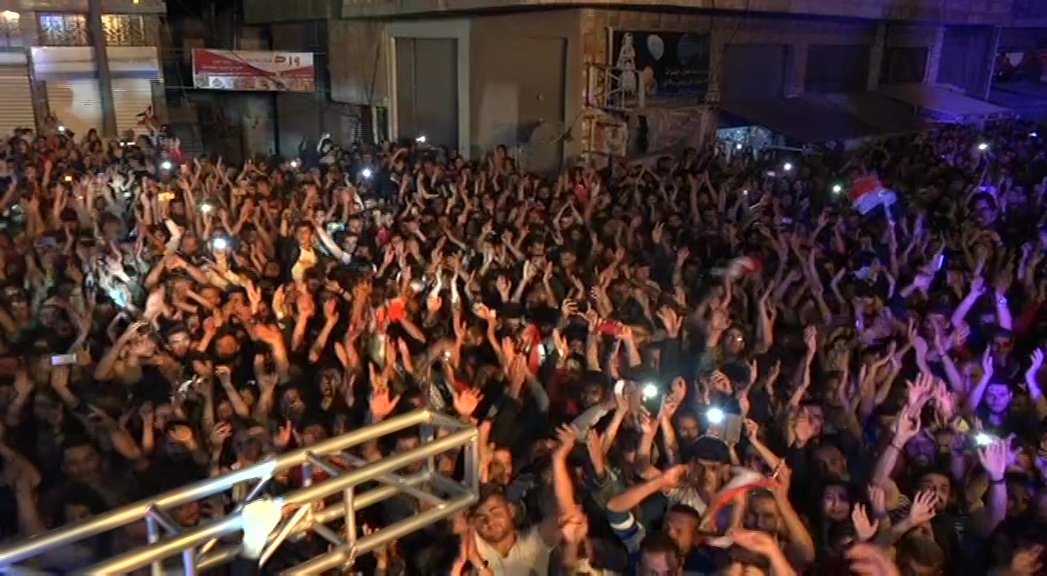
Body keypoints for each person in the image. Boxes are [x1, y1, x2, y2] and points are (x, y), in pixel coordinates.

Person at [0, 116, 1044, 576]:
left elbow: (616, 459)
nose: (495, 487)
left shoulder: (707, 497)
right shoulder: (581, 464)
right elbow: (591, 450)